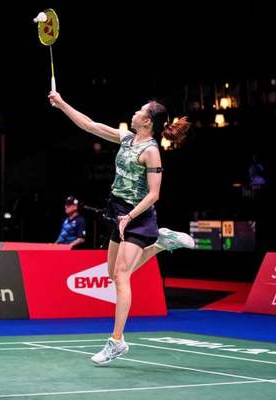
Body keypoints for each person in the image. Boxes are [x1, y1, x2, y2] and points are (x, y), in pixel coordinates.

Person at [49, 91, 195, 365]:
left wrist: (130, 216)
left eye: (141, 111)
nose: (135, 112)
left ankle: (116, 341)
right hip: (117, 211)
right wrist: (62, 103)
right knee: (112, 273)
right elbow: (90, 125)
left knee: (122, 276)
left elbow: (154, 194)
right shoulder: (127, 138)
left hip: (138, 216)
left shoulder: (151, 151)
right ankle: (162, 244)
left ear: (148, 122)